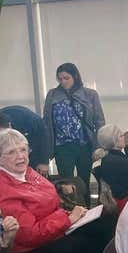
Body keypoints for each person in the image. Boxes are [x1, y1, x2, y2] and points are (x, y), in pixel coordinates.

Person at [0, 129, 114, 253]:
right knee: (94, 245)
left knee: (108, 220)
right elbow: (28, 235)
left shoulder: (28, 173)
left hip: (53, 235)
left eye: (23, 150)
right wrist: (67, 219)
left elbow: (53, 204)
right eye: (11, 152)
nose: (21, 156)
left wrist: (72, 215)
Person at [43, 62, 105, 194]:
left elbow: (99, 121)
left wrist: (98, 145)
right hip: (62, 146)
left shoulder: (90, 95)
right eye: (60, 79)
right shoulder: (53, 95)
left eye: (66, 78)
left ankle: (87, 211)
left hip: (84, 145)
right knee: (66, 183)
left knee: (84, 182)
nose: (63, 82)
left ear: (75, 77)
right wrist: (47, 151)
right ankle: (71, 210)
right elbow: (47, 122)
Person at [93, 124, 128, 213]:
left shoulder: (109, 157)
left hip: (117, 200)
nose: (124, 137)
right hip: (124, 203)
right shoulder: (116, 161)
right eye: (121, 136)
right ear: (114, 141)